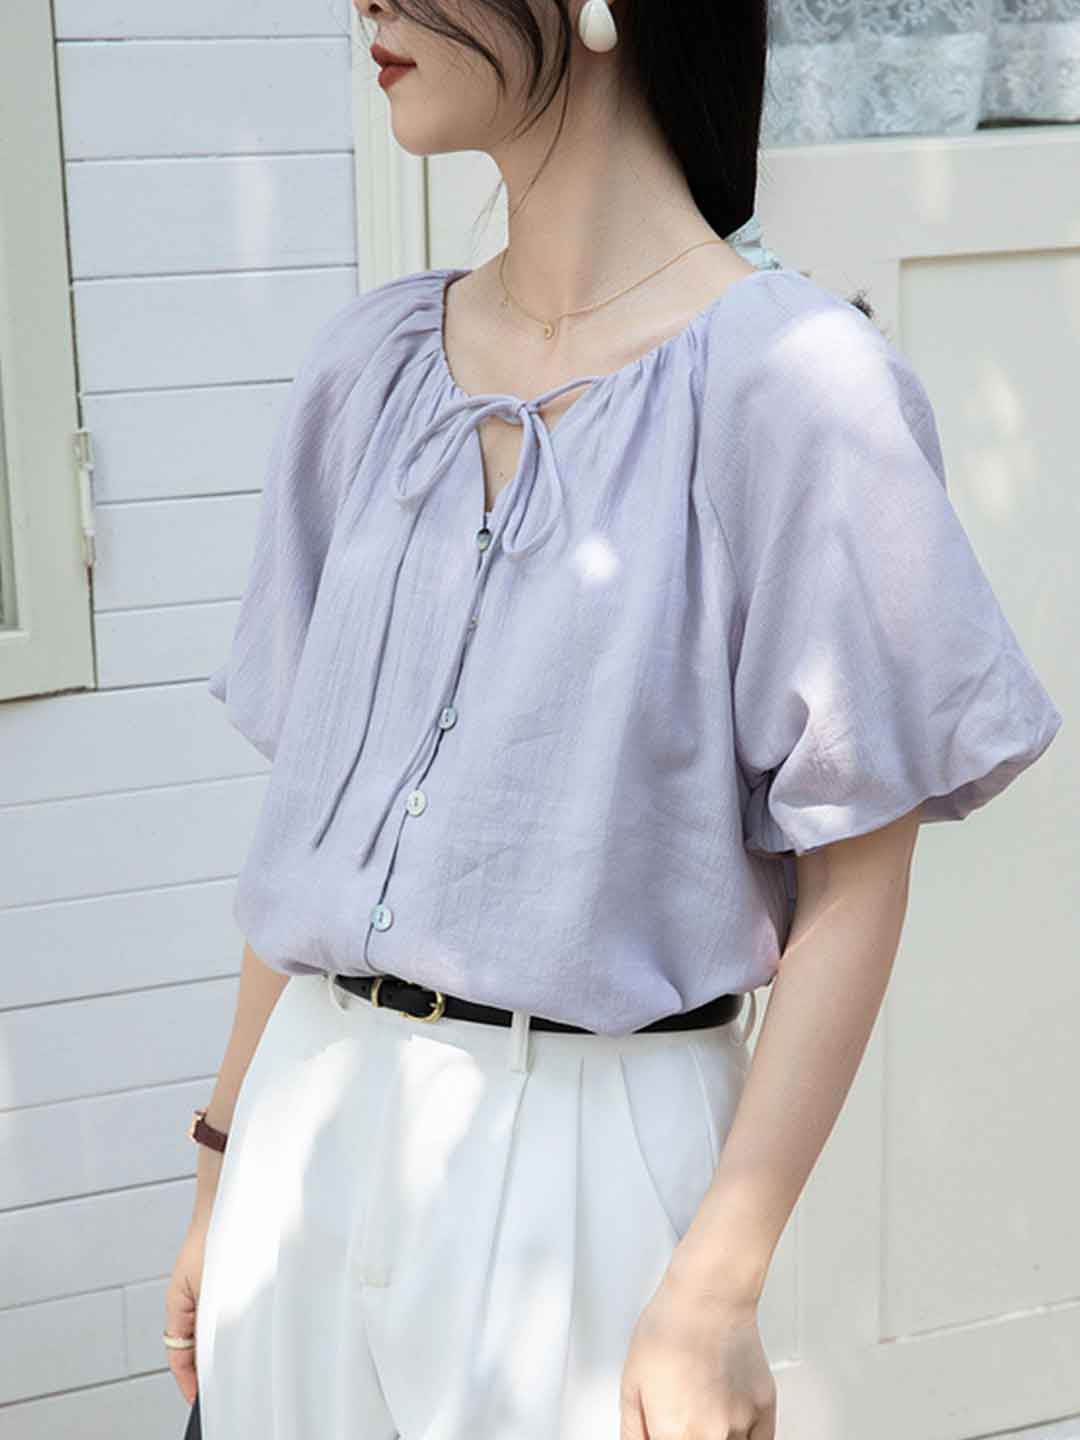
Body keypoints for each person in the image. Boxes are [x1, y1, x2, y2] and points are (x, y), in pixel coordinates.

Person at [164, 0, 1064, 1436]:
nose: (366, 5)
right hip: (307, 1127)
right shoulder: (370, 370)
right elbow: (308, 828)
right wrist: (222, 1165)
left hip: (580, 1161)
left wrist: (716, 1286)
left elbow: (857, 874)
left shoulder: (795, 388)